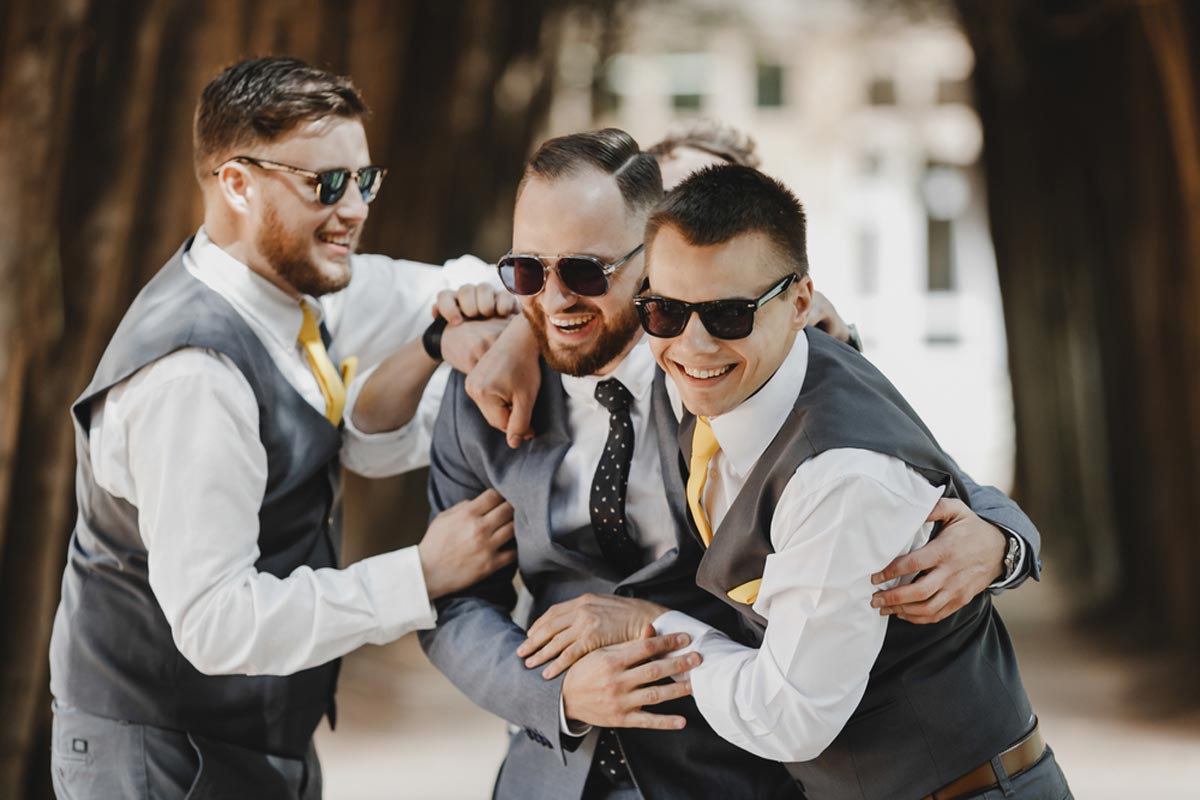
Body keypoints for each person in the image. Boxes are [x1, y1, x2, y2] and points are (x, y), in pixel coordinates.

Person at [357, 129, 1042, 799]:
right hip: (554, 772)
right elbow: (454, 602)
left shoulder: (722, 365)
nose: (556, 296)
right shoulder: (480, 387)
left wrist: (1002, 543)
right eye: (528, 271)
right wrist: (556, 691)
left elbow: (900, 463)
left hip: (735, 767)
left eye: (587, 272)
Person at [47, 57, 516, 799]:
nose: (355, 208)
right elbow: (217, 623)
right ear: (237, 183)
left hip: (255, 744)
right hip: (161, 758)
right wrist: (420, 574)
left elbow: (458, 284)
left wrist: (526, 303)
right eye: (325, 184)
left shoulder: (303, 285)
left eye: (365, 180)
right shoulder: (194, 375)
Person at [634, 164, 1071, 798]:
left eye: (728, 314)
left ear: (800, 303)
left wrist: (648, 625)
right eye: (665, 311)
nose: (693, 344)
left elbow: (792, 718)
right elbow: (557, 284)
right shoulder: (713, 366)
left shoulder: (842, 473)